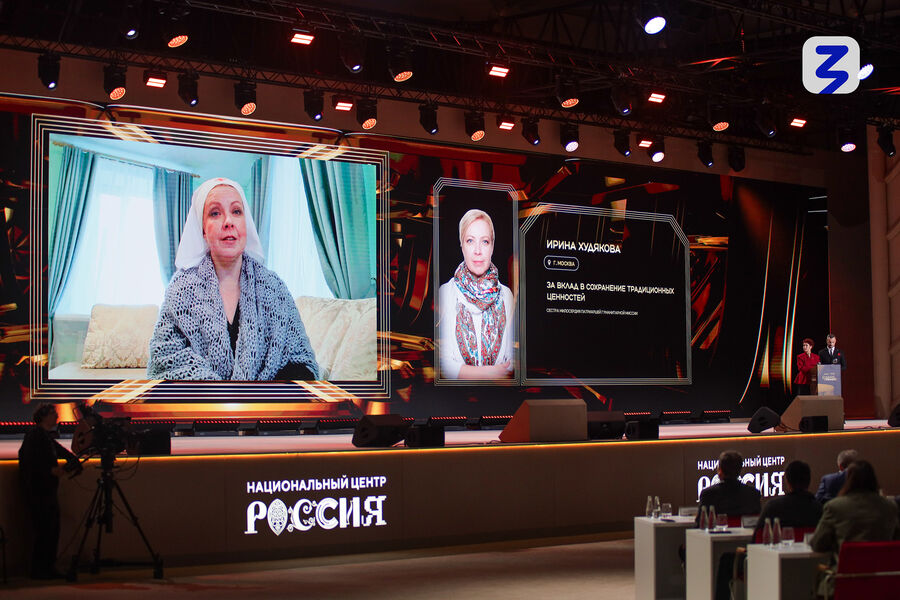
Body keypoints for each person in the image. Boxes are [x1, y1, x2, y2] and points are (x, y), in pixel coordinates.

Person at [147, 177, 319, 380]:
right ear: (202, 230)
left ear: (246, 223)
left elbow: (302, 363)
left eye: (236, 211)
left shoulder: (274, 288)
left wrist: (260, 397)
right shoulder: (181, 290)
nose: (228, 221)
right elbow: (164, 362)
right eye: (215, 213)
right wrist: (220, 394)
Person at [438, 208, 514, 379]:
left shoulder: (506, 295)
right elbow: (445, 367)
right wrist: (491, 373)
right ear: (462, 246)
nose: (478, 250)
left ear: (492, 246)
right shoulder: (445, 293)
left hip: (499, 394)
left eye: (485, 241)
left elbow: (512, 362)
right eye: (470, 241)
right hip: (457, 394)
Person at [809, 460, 900, 596]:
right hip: (883, 585)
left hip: (845, 584)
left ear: (848, 480)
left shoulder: (835, 507)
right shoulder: (890, 507)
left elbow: (817, 544)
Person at [18, 403, 81, 579]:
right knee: (45, 531)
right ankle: (41, 569)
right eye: (53, 414)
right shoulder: (36, 436)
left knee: (50, 530)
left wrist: (72, 463)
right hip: (39, 493)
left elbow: (65, 454)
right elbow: (30, 462)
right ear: (44, 416)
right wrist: (50, 471)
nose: (57, 417)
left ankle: (46, 568)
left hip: (46, 491)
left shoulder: (44, 437)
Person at [754, 460, 822, 536]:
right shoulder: (819, 509)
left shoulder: (771, 507)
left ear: (787, 481)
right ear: (809, 481)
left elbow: (757, 537)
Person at [697, 450, 762, 521]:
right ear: (740, 470)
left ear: (720, 470)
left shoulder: (708, 495)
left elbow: (700, 523)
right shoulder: (753, 494)